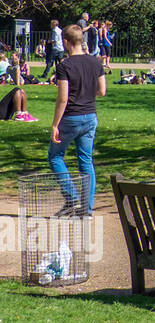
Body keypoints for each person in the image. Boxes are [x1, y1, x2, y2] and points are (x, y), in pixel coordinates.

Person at [48, 24, 106, 216]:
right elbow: (102, 91)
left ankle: (72, 198)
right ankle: (86, 210)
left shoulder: (65, 65)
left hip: (71, 117)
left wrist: (55, 124)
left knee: (55, 156)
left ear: (65, 42)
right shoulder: (96, 62)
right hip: (90, 116)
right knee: (86, 161)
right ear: (81, 40)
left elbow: (63, 98)